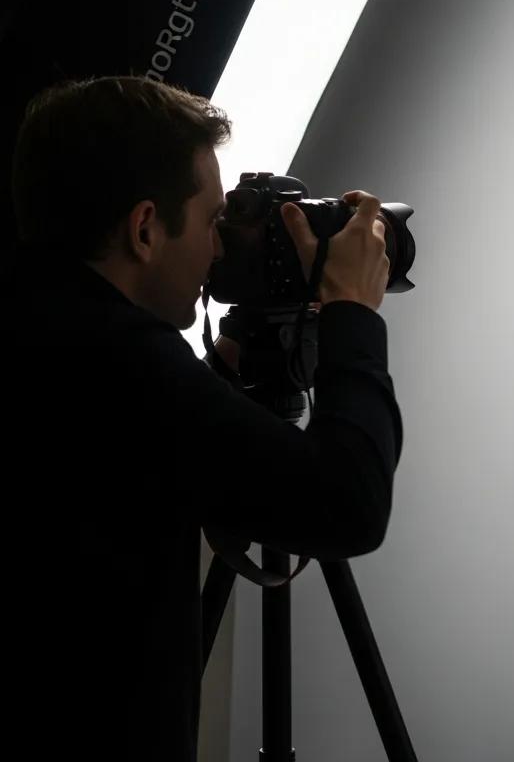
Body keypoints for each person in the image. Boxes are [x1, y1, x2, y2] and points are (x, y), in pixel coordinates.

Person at [8, 75, 403, 761]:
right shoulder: (128, 364)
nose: (219, 249)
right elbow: (350, 505)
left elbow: (157, 444)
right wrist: (352, 313)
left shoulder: (46, 325)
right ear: (144, 229)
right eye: (210, 221)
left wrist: (225, 366)